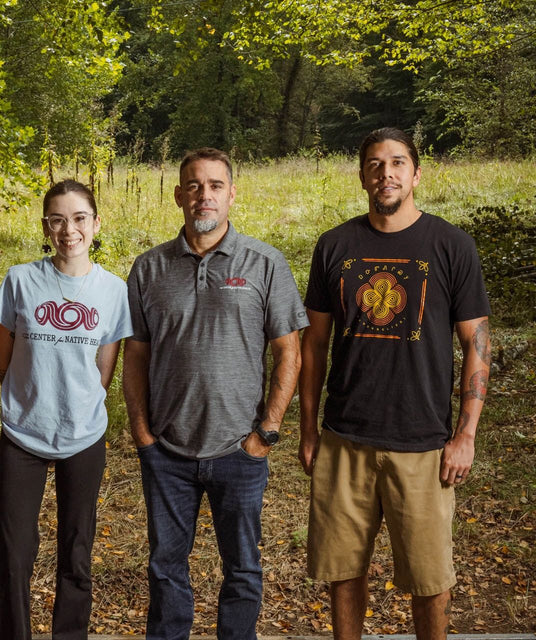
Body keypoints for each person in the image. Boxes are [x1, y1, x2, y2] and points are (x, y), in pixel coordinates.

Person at [299, 127, 491, 640]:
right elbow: (313, 347)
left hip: (423, 444)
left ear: (416, 174)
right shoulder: (335, 245)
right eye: (376, 164)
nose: (387, 173)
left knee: (431, 580)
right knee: (343, 572)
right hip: (345, 439)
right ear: (362, 175)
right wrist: (309, 430)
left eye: (398, 163)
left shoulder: (451, 245)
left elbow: (477, 342)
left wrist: (466, 435)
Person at [123, 147, 308, 640]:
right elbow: (135, 356)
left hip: (239, 450)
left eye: (215, 185)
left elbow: (290, 354)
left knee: (243, 569)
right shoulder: (148, 268)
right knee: (165, 568)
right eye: (195, 185)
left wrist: (265, 432)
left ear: (232, 194)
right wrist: (142, 434)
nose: (205, 195)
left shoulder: (265, 263)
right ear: (180, 194)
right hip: (167, 451)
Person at [0, 179, 132, 640]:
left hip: (84, 434)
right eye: (57, 219)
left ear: (95, 224)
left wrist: (75, 402)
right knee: (15, 551)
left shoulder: (113, 290)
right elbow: (4, 358)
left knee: (76, 549)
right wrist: (30, 399)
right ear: (46, 226)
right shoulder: (20, 279)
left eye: (78, 218)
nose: (68, 229)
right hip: (23, 432)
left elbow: (104, 369)